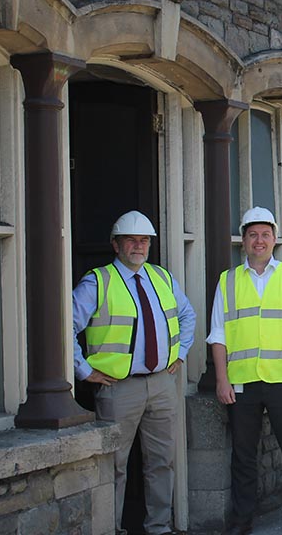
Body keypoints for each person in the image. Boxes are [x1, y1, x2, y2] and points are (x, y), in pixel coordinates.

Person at [72, 210, 196, 535]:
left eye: (144, 241)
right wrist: (84, 371)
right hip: (118, 388)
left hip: (161, 384)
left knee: (162, 462)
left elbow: (188, 316)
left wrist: (180, 354)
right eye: (131, 240)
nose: (139, 246)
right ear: (116, 245)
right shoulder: (98, 281)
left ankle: (158, 527)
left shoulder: (163, 278)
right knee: (113, 465)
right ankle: (111, 528)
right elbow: (65, 326)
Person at [209, 207, 282, 535]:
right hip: (242, 381)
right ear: (243, 240)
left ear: (274, 239)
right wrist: (221, 379)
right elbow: (218, 334)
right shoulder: (227, 281)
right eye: (253, 235)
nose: (259, 241)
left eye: (265, 235)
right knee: (243, 456)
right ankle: (242, 522)